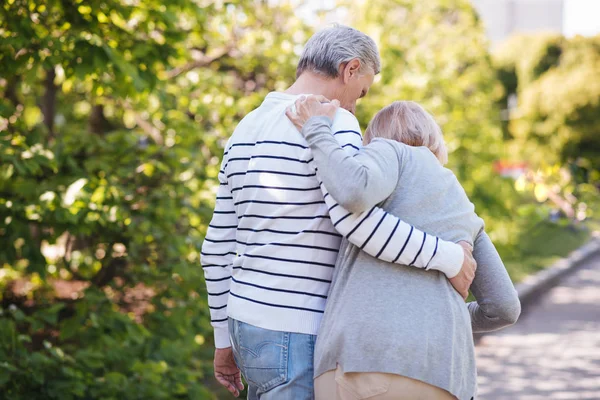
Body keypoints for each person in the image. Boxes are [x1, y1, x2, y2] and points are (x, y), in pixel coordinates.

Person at [201, 26, 476, 399]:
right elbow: (357, 223)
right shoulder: (334, 124)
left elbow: (216, 247)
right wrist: (450, 257)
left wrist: (222, 339)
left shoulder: (244, 129)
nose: (355, 107)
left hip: (244, 323)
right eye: (361, 92)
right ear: (350, 69)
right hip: (300, 330)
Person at [285, 97, 522, 400]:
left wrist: (316, 128)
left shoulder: (390, 151)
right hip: (445, 377)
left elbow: (353, 190)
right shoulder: (464, 207)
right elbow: (505, 307)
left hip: (363, 363)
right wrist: (435, 317)